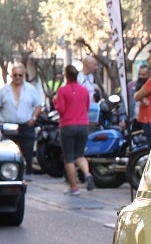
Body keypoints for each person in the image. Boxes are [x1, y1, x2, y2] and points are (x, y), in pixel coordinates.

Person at [52, 65, 93, 196]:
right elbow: (87, 107)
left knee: (69, 157)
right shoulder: (84, 90)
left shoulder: (62, 91)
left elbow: (61, 109)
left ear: (66, 75)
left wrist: (55, 102)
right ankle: (87, 174)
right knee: (80, 155)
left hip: (67, 126)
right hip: (83, 125)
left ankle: (74, 187)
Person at [0, 63, 43, 180]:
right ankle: (8, 174)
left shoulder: (30, 89)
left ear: (23, 75)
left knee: (28, 150)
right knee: (9, 152)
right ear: (11, 76)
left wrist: (33, 118)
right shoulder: (4, 91)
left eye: (20, 75)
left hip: (26, 125)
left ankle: (28, 172)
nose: (18, 77)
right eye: (15, 75)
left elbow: (38, 105)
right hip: (8, 125)